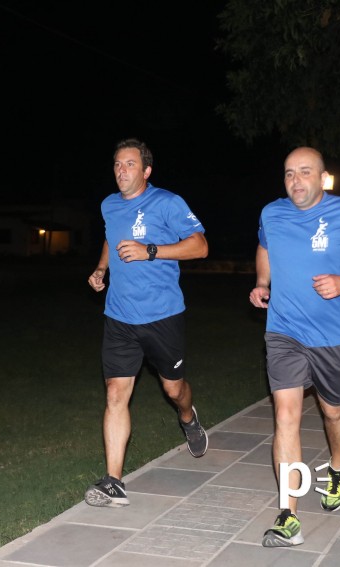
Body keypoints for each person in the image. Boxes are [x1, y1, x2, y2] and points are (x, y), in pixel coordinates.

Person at [249, 147, 340, 546]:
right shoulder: (271, 213)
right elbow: (264, 247)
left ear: (323, 177)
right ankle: (288, 515)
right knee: (286, 416)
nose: (295, 181)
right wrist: (263, 282)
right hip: (283, 332)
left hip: (334, 336)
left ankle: (337, 466)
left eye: (305, 172)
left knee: (333, 411)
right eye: (289, 173)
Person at [84, 138, 209, 508]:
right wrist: (101, 268)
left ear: (146, 171)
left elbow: (200, 246)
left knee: (173, 391)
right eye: (117, 165)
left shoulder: (168, 202)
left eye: (130, 165)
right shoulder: (108, 204)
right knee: (115, 393)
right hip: (119, 316)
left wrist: (151, 250)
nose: (122, 171)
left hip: (162, 316)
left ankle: (188, 417)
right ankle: (114, 482)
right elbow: (111, 239)